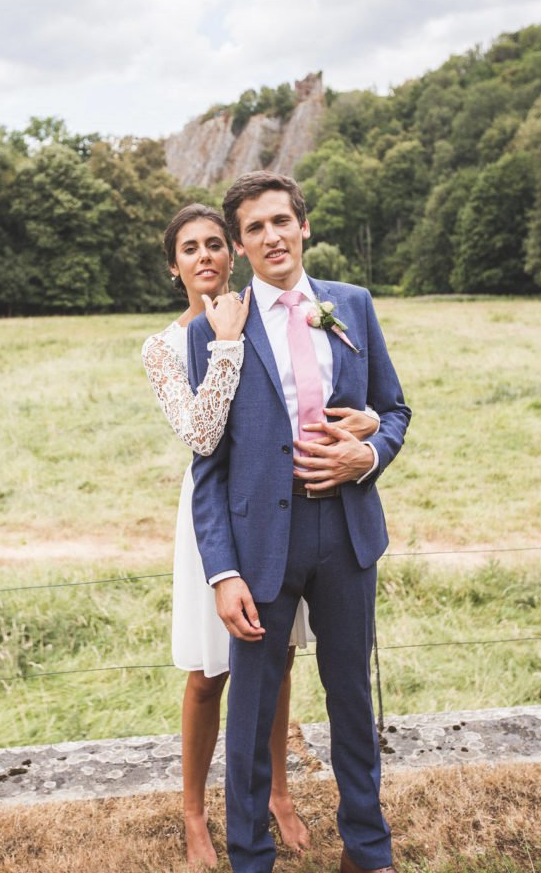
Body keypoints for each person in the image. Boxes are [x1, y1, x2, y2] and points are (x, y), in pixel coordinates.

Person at [142, 203, 381, 869]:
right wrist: (224, 343)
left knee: (278, 664)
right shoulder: (171, 344)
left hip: (297, 516)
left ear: (234, 253)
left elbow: (363, 404)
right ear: (174, 267)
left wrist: (366, 430)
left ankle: (278, 793)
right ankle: (196, 813)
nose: (205, 257)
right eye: (189, 249)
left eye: (214, 244)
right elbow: (202, 437)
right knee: (209, 672)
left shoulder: (297, 309)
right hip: (220, 516)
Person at [188, 173, 411, 873]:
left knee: (351, 699)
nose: (272, 237)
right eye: (254, 228)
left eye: (281, 221)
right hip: (259, 543)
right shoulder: (213, 330)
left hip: (346, 532)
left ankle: (367, 851)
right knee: (252, 714)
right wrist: (223, 572)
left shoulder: (352, 305)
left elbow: (394, 409)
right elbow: (207, 465)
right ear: (239, 245)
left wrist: (368, 453)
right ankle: (251, 858)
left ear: (303, 226)